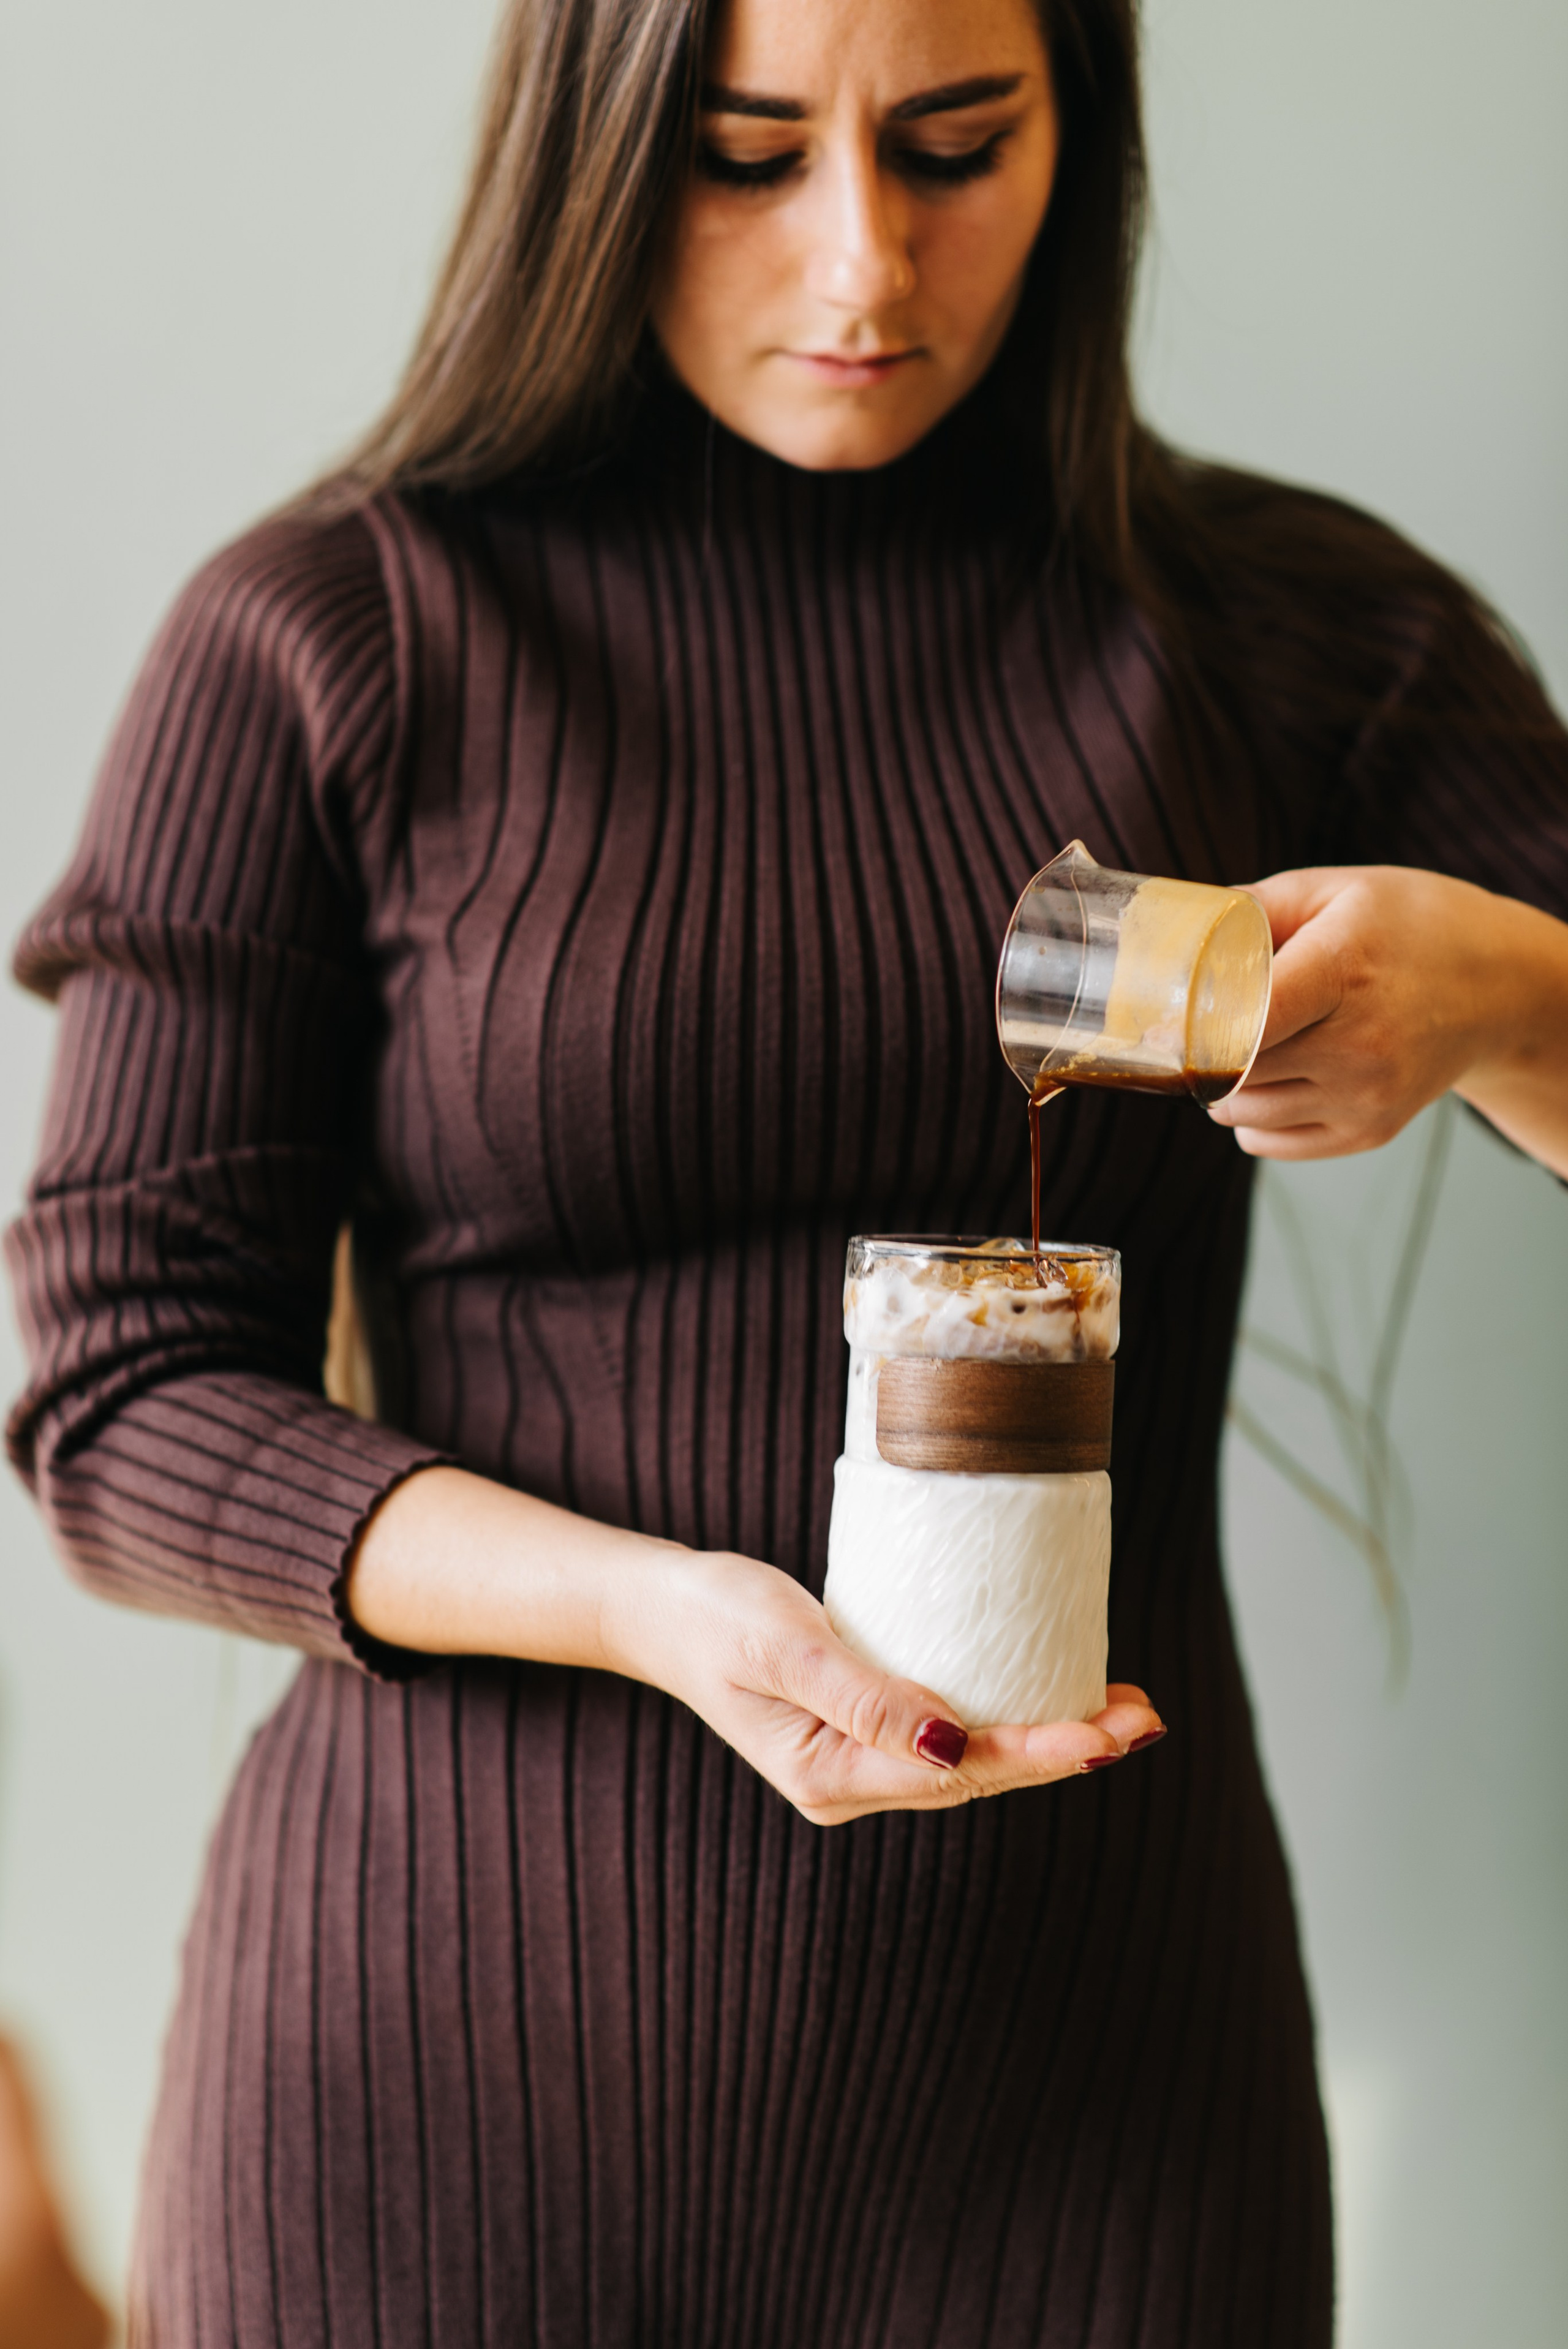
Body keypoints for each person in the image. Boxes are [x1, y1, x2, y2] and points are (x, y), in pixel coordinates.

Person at [7, 0, 1568, 2340]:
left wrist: (1521, 999)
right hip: (423, 2125)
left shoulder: (1286, 639)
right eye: (748, 155)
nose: (864, 263)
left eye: (957, 143)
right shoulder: (332, 644)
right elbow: (119, 1404)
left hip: (1098, 2118)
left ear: (1083, 127)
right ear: (592, 142)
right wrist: (661, 1611)